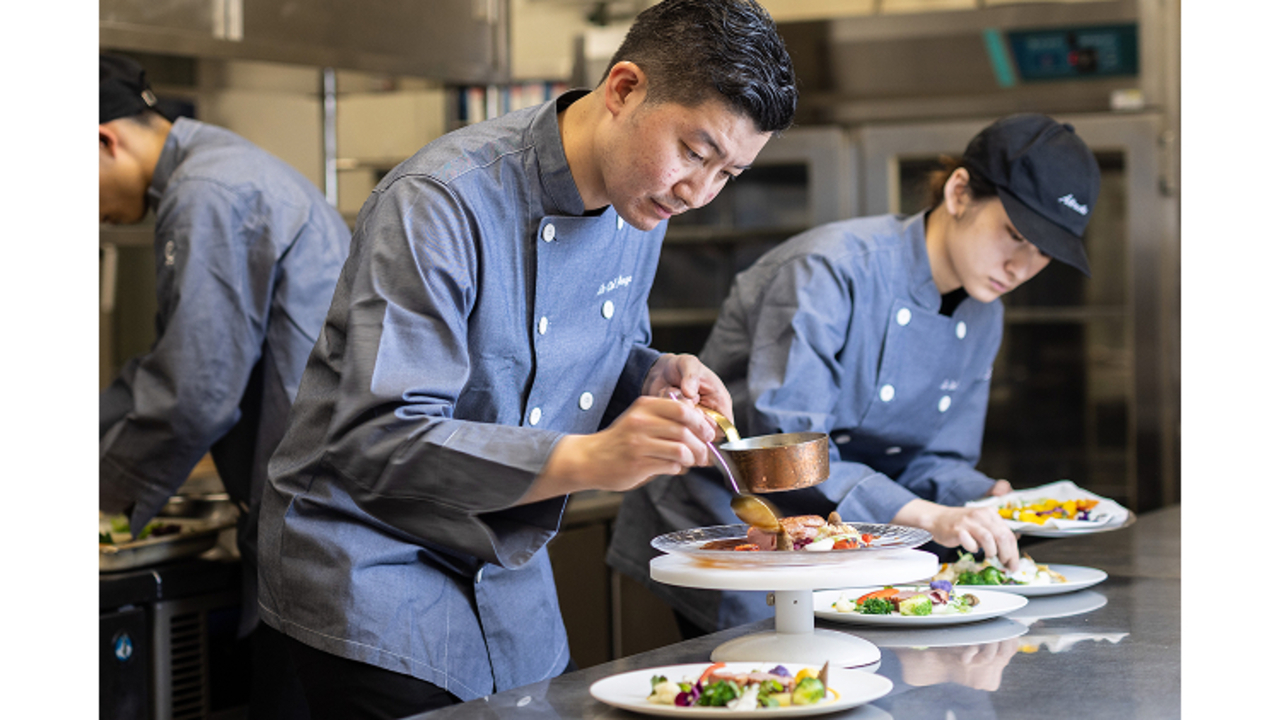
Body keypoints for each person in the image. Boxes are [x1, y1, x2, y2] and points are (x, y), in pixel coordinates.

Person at [254, 1, 797, 717]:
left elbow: (585, 348)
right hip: (375, 566)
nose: (699, 192)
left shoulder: (646, 199)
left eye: (729, 172)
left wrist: (648, 374)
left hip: (510, 577)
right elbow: (377, 437)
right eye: (696, 153)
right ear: (625, 88)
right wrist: (595, 459)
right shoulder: (441, 200)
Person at [606, 113, 1102, 635]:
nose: (1022, 266)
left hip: (857, 536)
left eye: (1044, 253)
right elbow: (787, 453)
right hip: (737, 525)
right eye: (1015, 234)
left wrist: (978, 500)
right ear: (959, 193)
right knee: (765, 681)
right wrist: (929, 517)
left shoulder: (984, 311)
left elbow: (940, 458)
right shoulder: (831, 269)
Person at [98, 54, 351, 719]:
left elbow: (194, 392)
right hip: (325, 530)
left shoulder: (207, 191)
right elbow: (177, 363)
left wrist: (99, 501)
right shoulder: (223, 169)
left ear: (101, 140)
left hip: (320, 541)